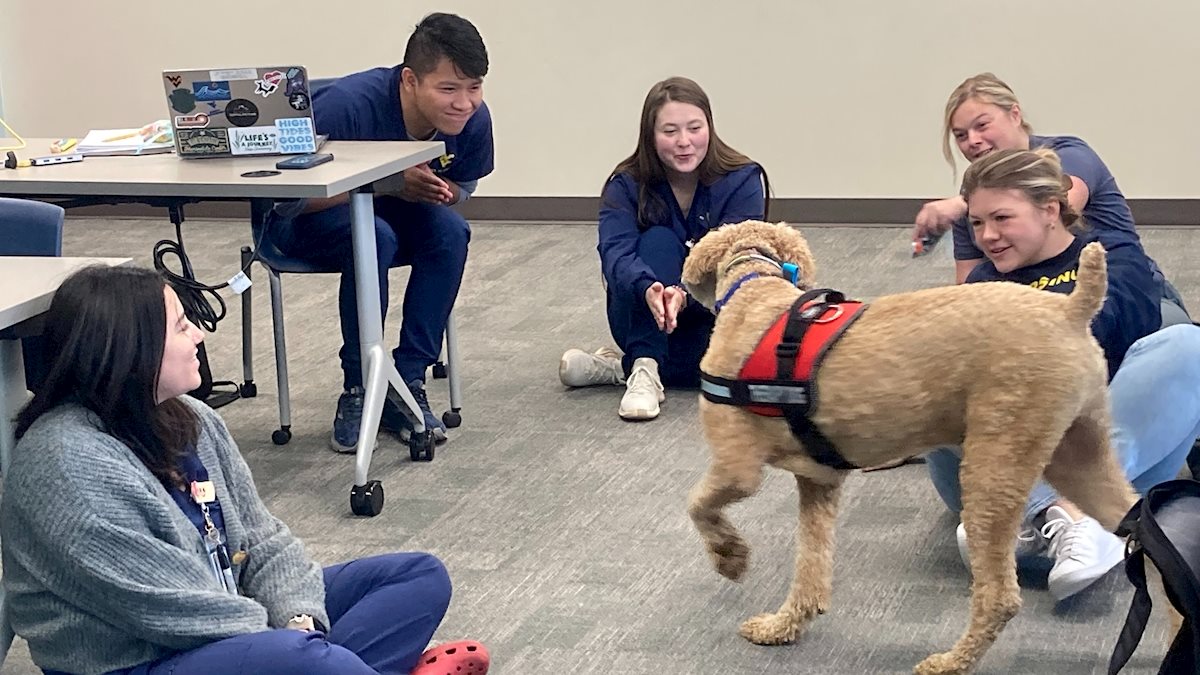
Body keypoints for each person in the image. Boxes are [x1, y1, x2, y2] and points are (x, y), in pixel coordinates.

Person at [0, 266, 490, 675]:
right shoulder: (67, 466)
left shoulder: (191, 418)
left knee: (417, 577)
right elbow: (167, 607)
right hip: (137, 659)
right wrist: (293, 646)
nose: (198, 332)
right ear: (128, 349)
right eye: (179, 325)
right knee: (300, 659)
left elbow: (263, 538)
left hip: (226, 615)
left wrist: (301, 619)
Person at [923, 148, 1200, 600]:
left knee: (1189, 345)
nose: (987, 236)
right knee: (938, 375)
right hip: (1010, 464)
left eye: (1002, 218)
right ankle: (1059, 515)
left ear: (1050, 209)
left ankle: (1060, 510)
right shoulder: (981, 284)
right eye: (976, 223)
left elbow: (1091, 352)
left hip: (1105, 454)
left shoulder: (1112, 257)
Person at [270, 12, 493, 452]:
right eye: (448, 89)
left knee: (450, 231)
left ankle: (407, 378)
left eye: (474, 87)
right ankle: (360, 386)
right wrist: (386, 183)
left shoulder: (472, 120)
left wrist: (432, 192)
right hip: (307, 221)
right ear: (410, 80)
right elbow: (285, 199)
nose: (464, 103)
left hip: (392, 210)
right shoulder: (346, 107)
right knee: (374, 236)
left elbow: (462, 187)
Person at [558, 76, 769, 421]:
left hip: (711, 314)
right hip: (643, 311)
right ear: (650, 136)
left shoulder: (742, 179)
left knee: (735, 369)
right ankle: (643, 367)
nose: (684, 142)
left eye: (694, 128)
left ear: (710, 128)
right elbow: (615, 254)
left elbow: (739, 259)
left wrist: (685, 292)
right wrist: (649, 289)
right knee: (658, 240)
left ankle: (622, 369)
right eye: (670, 131)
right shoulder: (625, 184)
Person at [912, 72, 1190, 328]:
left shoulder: (1070, 155)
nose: (972, 140)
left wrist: (964, 205)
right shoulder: (971, 196)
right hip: (1033, 297)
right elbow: (968, 291)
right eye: (960, 135)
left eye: (982, 125)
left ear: (1015, 115)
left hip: (1121, 286)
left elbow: (1061, 202)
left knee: (1171, 340)